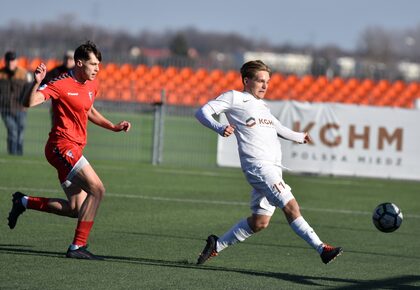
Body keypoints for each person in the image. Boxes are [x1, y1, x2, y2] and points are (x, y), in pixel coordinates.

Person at [195, 60, 343, 265]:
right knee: (291, 206)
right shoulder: (234, 97)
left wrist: (299, 137)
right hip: (259, 167)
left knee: (259, 222)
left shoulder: (262, 106)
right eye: (260, 81)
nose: (265, 86)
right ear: (246, 81)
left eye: (268, 81)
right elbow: (202, 112)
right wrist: (219, 128)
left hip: (272, 168)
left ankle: (216, 245)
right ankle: (322, 248)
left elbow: (278, 127)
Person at [7, 41, 131, 260]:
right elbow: (29, 102)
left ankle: (23, 201)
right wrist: (35, 83)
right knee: (98, 189)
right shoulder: (61, 83)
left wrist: (113, 126)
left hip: (74, 148)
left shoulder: (93, 84)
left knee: (76, 209)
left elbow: (89, 110)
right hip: (60, 147)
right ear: (80, 62)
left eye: (98, 64)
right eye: (93, 64)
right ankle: (77, 247)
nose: (97, 69)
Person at [0, 51, 32, 155]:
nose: (11, 63)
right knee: (13, 130)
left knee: (20, 132)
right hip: (5, 109)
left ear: (16, 61)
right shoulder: (1, 74)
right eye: (9, 60)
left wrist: (26, 103)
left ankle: (19, 153)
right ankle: (12, 153)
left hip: (20, 108)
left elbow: (29, 89)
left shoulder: (23, 73)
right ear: (5, 61)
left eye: (13, 60)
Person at [41, 50, 76, 125]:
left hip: (73, 106)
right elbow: (44, 82)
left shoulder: (77, 72)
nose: (68, 61)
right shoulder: (56, 71)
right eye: (66, 58)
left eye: (71, 59)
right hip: (58, 106)